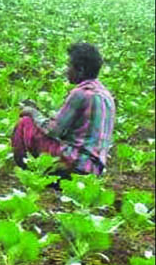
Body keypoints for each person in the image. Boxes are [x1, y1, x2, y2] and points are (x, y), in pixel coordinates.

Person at [12, 42, 115, 177]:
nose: (66, 70)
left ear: (80, 70)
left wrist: (34, 113)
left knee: (25, 123)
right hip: (95, 169)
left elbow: (54, 130)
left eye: (69, 65)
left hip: (76, 163)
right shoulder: (106, 95)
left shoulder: (80, 93)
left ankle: (26, 173)